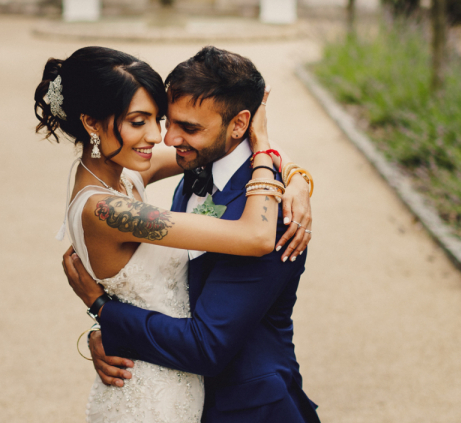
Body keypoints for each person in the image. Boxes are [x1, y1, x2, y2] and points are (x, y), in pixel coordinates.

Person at [35, 46, 312, 423]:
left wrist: (294, 174)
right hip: (149, 398)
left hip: (228, 396)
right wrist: (264, 150)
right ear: (92, 123)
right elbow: (255, 235)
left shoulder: (130, 176)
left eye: (158, 119)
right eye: (138, 122)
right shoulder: (107, 210)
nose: (161, 137)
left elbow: (218, 159)